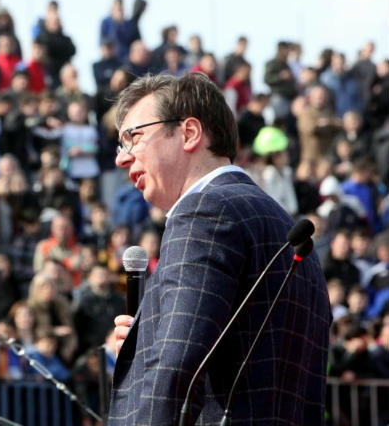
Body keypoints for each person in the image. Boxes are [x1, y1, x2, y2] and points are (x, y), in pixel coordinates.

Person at [108, 72, 330, 425]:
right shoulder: (283, 224)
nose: (122, 158)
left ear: (189, 133)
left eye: (132, 138)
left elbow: (175, 369)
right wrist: (145, 343)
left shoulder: (204, 212)